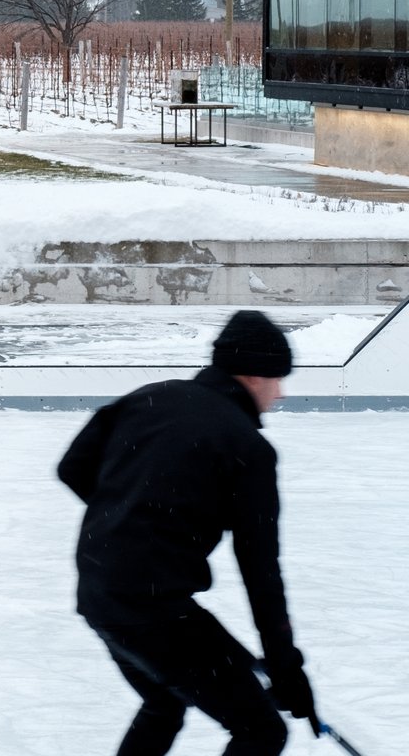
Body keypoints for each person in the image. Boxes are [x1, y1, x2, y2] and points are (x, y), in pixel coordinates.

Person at [58, 310, 317, 756]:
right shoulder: (247, 448)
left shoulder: (148, 399)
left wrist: (128, 519)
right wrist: (286, 668)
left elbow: (72, 467)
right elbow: (260, 571)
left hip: (99, 592)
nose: (281, 393)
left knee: (163, 702)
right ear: (254, 376)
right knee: (261, 731)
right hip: (153, 611)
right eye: (278, 380)